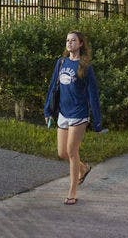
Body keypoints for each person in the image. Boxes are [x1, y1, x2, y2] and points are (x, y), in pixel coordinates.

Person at [44, 30, 103, 205]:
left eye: (73, 40)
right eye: (68, 40)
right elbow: (53, 87)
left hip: (79, 114)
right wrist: (48, 110)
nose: (69, 43)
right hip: (63, 112)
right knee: (62, 153)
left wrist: (97, 122)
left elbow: (93, 95)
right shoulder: (61, 62)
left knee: (71, 151)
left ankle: (72, 192)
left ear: (81, 44)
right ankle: (83, 168)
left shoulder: (85, 67)